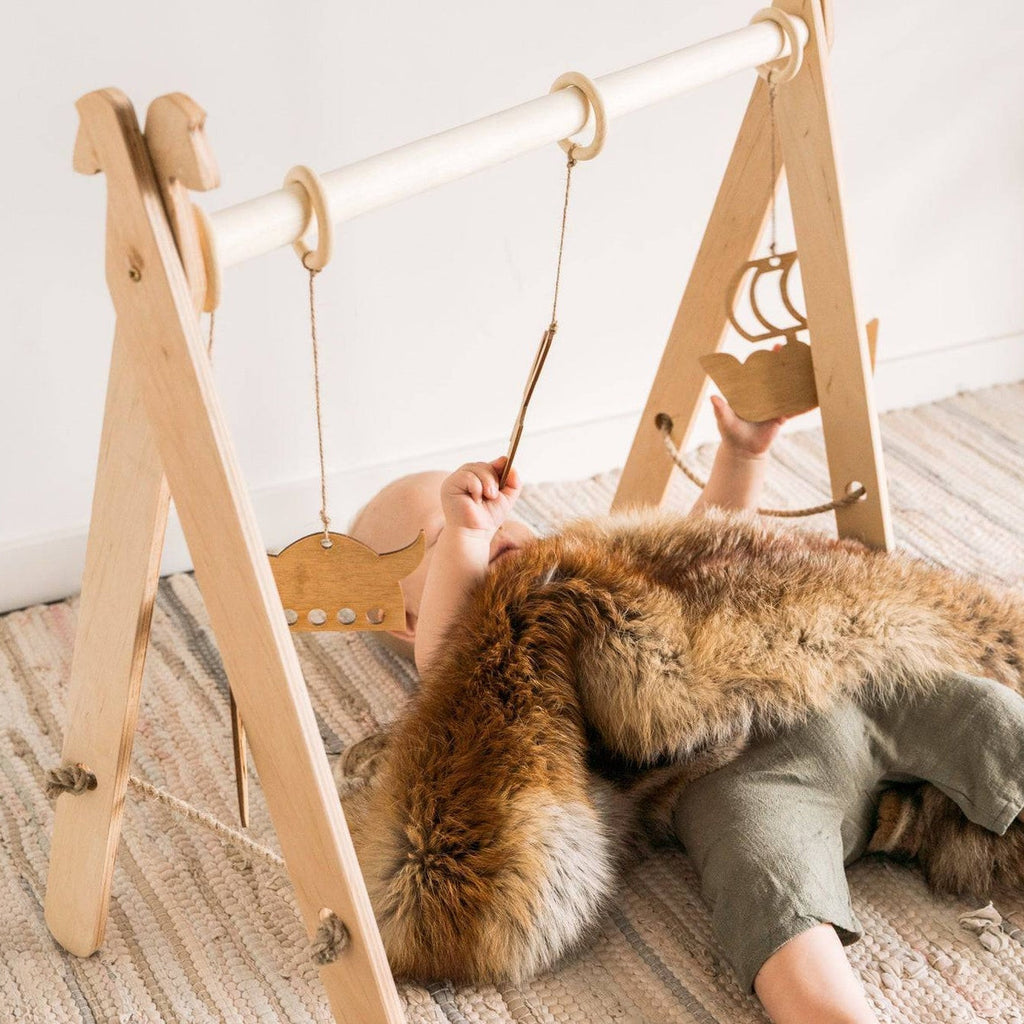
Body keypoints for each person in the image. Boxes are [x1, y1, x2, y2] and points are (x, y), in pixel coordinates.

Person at [347, 395, 1024, 1024]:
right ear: (408, 619)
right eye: (437, 534)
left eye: (491, 511)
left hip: (839, 685)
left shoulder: (588, 565)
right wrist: (466, 540)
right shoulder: (487, 663)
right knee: (760, 878)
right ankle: (829, 1010)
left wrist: (742, 455)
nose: (483, 517)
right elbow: (454, 665)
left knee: (981, 710)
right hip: (730, 776)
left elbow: (708, 548)